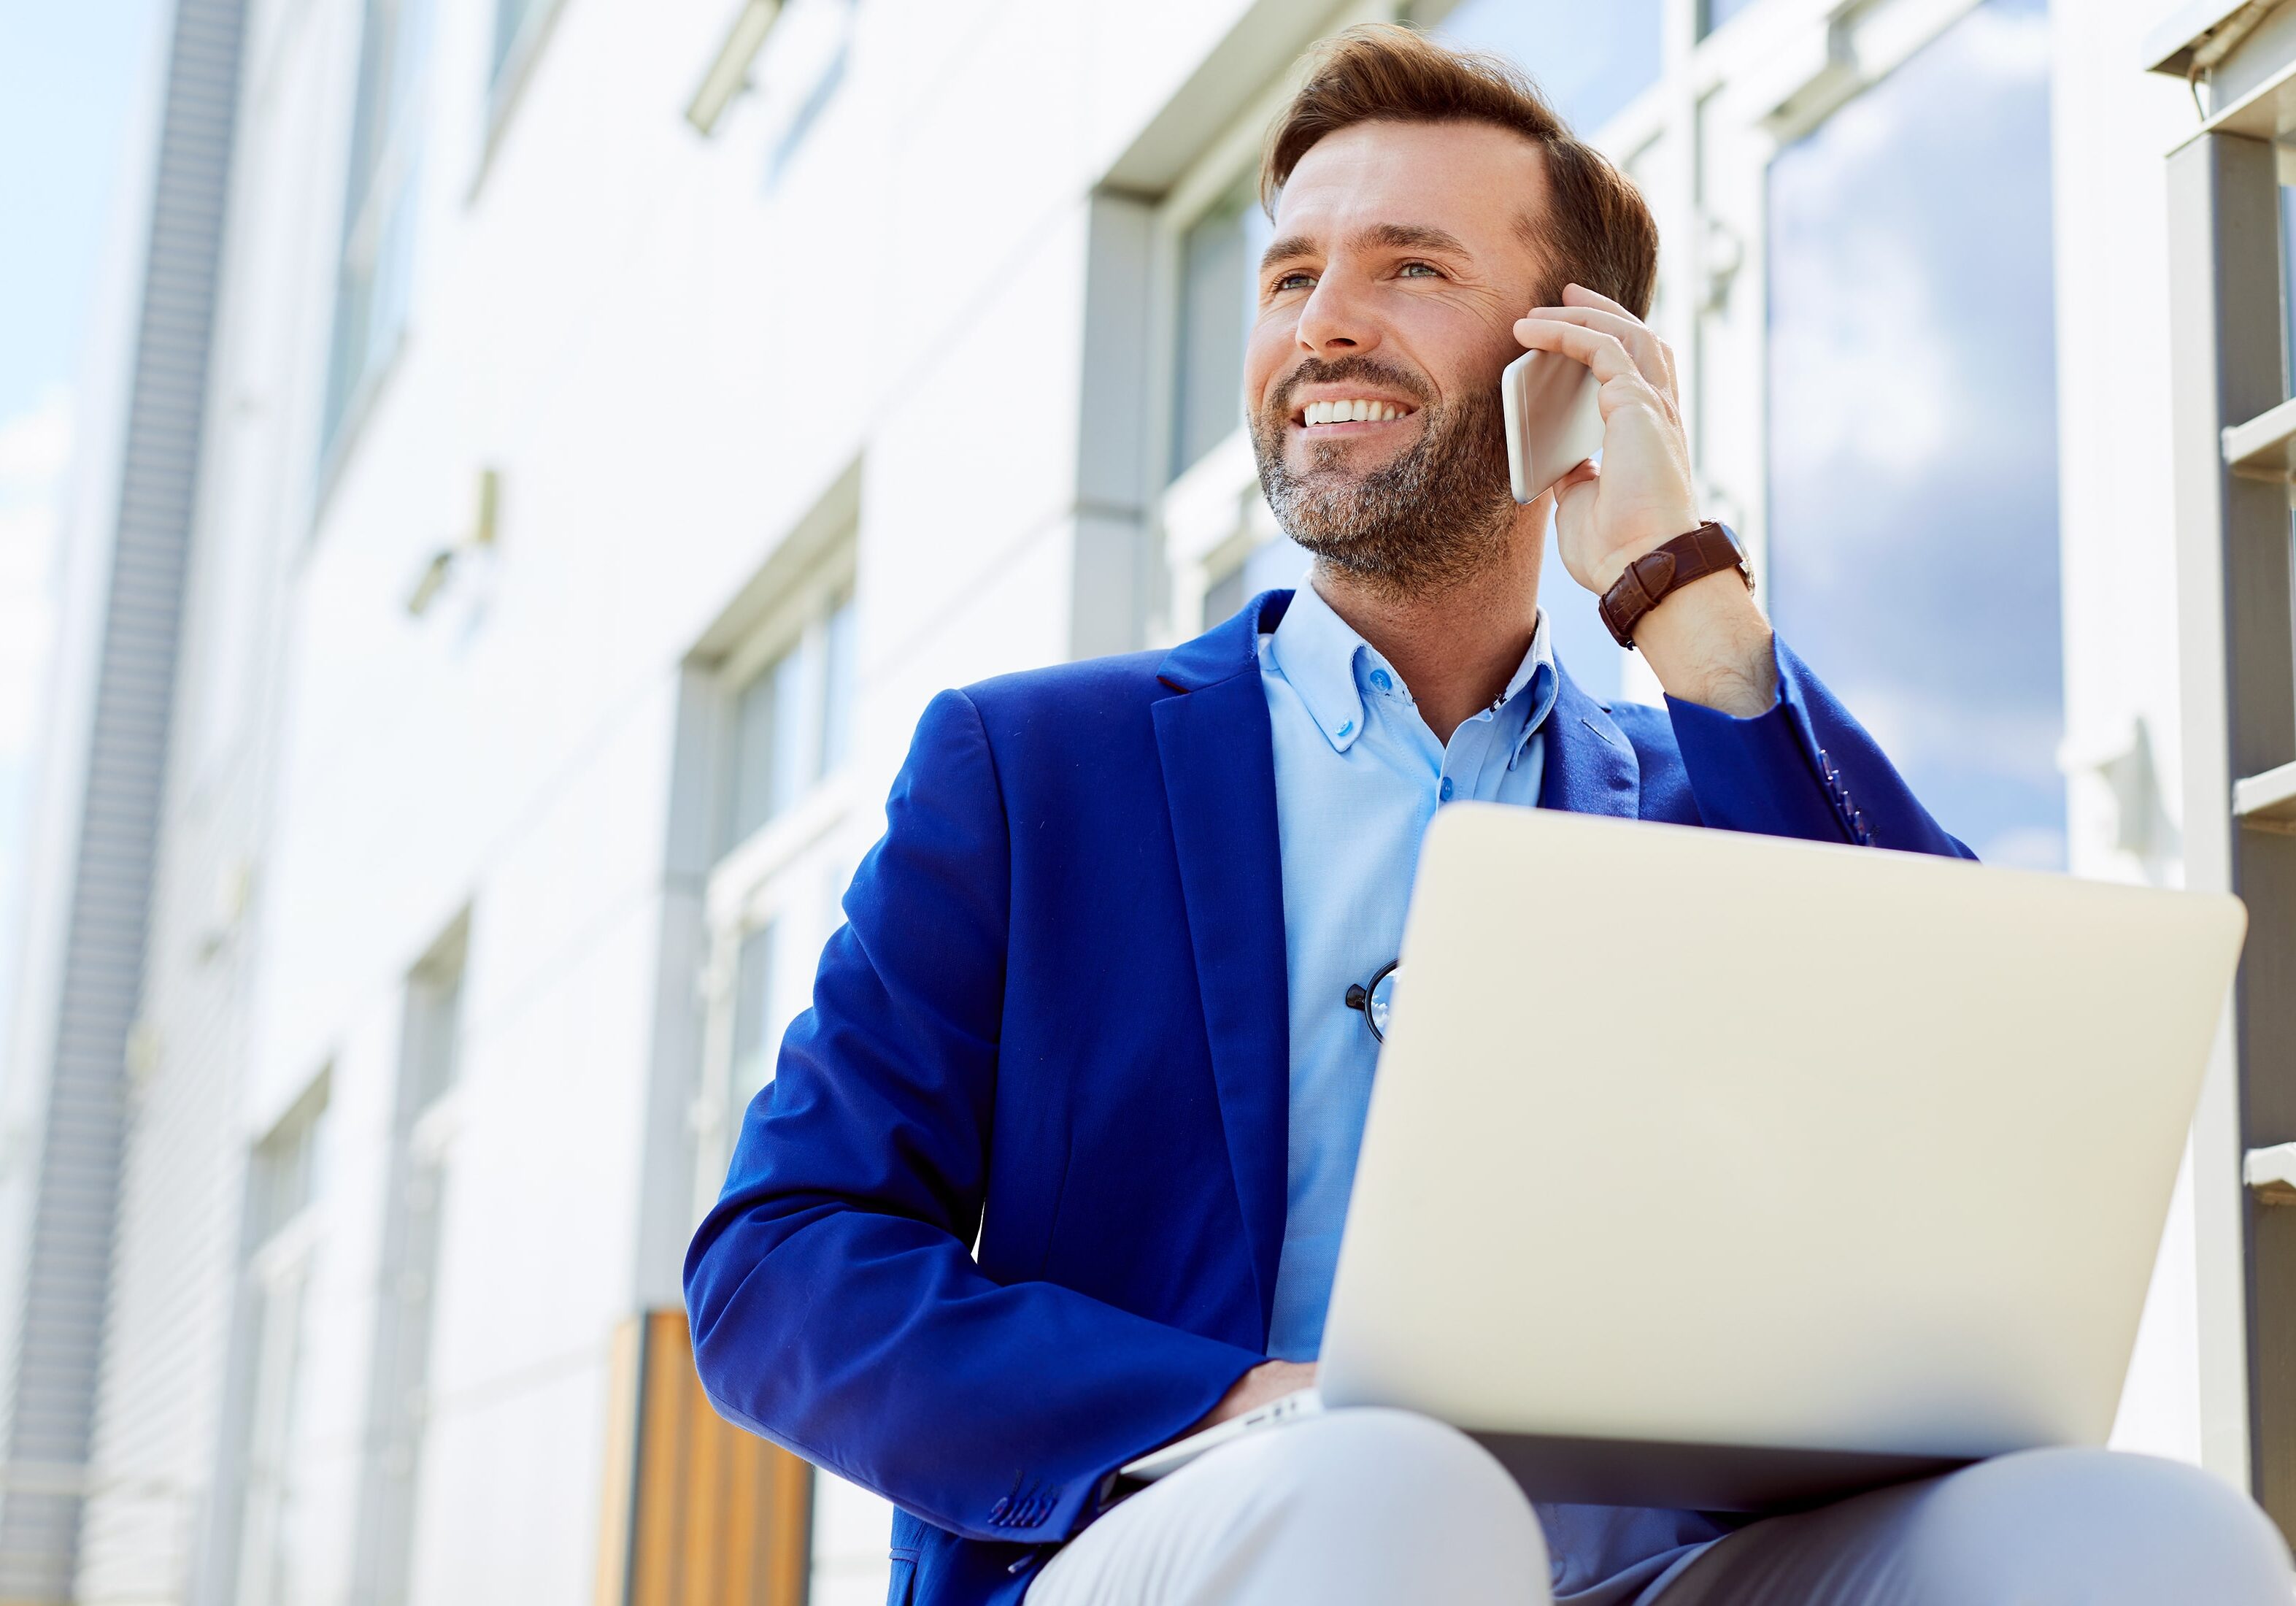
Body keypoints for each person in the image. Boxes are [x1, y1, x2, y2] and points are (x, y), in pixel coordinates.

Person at [684, 23, 2292, 1606]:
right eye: (1290, 273)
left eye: (1410, 269)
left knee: (2151, 1539)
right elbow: (779, 1258)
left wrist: (1688, 604)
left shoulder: (1701, 793)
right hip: (1187, 1529)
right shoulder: (1033, 768)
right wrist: (1242, 1406)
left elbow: (1959, 1091)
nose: (1324, 322)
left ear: (1569, 363)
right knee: (1389, 1487)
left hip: (1644, 1563)